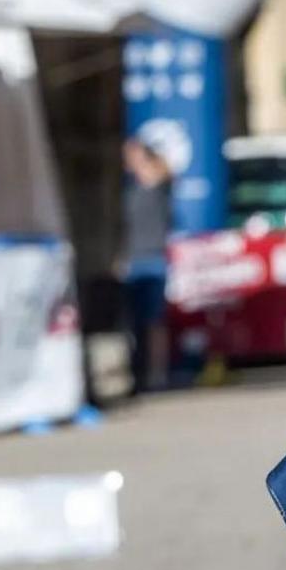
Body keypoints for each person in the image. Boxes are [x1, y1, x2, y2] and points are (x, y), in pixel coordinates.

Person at [119, 136, 173, 393]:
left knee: (154, 321)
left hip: (154, 258)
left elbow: (165, 173)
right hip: (133, 259)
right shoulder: (127, 190)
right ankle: (135, 373)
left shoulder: (157, 184)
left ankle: (157, 373)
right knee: (133, 321)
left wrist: (144, 158)